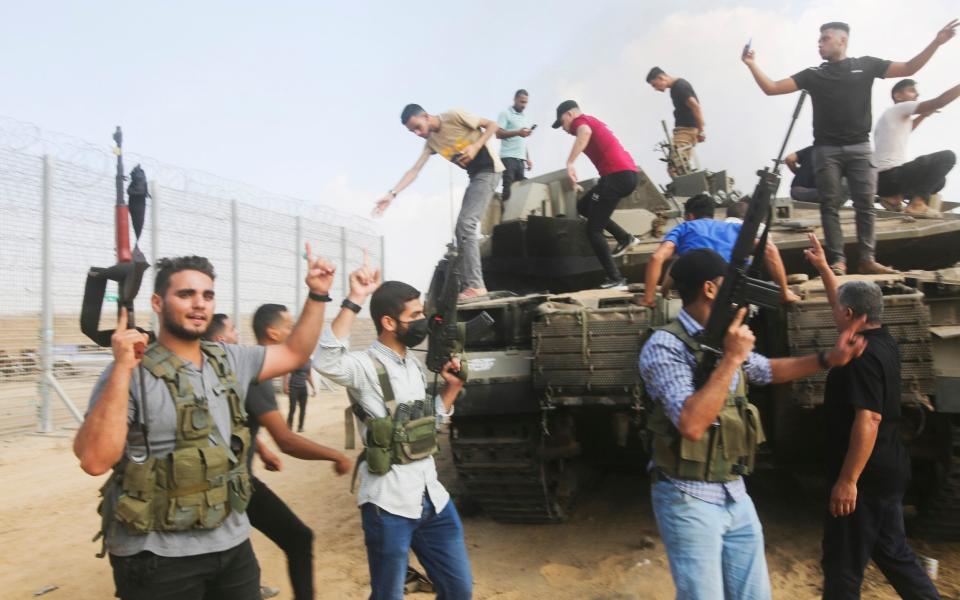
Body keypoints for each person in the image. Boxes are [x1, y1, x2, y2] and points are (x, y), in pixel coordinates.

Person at [73, 249, 336, 600]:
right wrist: (122, 368)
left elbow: (294, 354)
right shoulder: (129, 371)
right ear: (157, 302)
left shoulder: (229, 359)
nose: (199, 304)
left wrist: (318, 294)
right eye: (186, 294)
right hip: (156, 558)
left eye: (207, 295)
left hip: (231, 546)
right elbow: (94, 460)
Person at [639, 248, 867, 600]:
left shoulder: (723, 338)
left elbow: (767, 370)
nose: (740, 297)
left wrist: (829, 359)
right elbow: (691, 424)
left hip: (733, 491)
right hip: (688, 496)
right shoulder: (665, 345)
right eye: (731, 286)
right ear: (710, 289)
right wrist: (731, 358)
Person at [742, 19, 958, 276]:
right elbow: (772, 88)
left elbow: (910, 66)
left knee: (865, 205)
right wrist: (752, 64)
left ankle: (867, 259)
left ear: (841, 41)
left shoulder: (865, 66)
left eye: (825, 39)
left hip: (860, 148)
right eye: (819, 39)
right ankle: (837, 262)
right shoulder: (814, 74)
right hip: (827, 150)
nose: (819, 44)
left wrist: (937, 41)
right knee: (829, 205)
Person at [313, 252, 472, 600]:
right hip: (389, 504)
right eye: (414, 316)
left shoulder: (412, 365)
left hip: (432, 497)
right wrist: (355, 298)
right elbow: (325, 360)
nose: (422, 322)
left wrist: (452, 389)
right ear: (388, 322)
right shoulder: (365, 366)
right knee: (388, 595)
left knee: (459, 589)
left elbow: (430, 422)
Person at [804, 234, 941, 599]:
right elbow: (845, 305)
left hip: (864, 473)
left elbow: (869, 419)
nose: (835, 312)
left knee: (842, 567)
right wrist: (823, 269)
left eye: (839, 309)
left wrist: (848, 481)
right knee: (893, 553)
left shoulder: (860, 356)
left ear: (850, 315)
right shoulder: (882, 338)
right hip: (889, 466)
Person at [245, 302, 352, 600]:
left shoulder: (250, 370)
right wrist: (336, 455)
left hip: (234, 480)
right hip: (234, 483)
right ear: (273, 333)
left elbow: (232, 424)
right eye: (289, 327)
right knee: (298, 537)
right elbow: (287, 441)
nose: (293, 333)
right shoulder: (257, 375)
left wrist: (260, 448)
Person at [373, 104, 503, 300]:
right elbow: (414, 170)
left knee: (466, 224)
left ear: (426, 116)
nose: (417, 133)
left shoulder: (454, 115)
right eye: (412, 131)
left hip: (490, 170)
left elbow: (492, 125)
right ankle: (471, 284)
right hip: (475, 176)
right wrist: (392, 194)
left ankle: (476, 286)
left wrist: (476, 146)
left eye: (418, 127)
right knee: (461, 229)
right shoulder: (432, 143)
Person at [642, 194, 799, 307]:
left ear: (689, 216)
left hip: (698, 296)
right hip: (734, 292)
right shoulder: (735, 228)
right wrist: (784, 292)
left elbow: (657, 258)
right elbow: (769, 249)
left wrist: (650, 298)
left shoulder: (684, 227)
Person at [553, 100, 641, 289]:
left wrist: (570, 163)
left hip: (617, 176)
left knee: (593, 230)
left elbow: (584, 132)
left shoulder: (580, 121)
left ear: (569, 114)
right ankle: (625, 238)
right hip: (623, 175)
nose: (563, 128)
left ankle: (616, 278)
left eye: (562, 122)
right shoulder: (592, 120)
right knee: (584, 206)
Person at [875, 79, 959, 214]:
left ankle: (893, 197)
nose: (917, 94)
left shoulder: (893, 118)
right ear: (898, 96)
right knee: (948, 157)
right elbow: (940, 101)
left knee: (939, 181)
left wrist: (923, 115)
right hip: (890, 176)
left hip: (883, 183)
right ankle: (917, 204)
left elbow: (907, 130)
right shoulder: (899, 108)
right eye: (911, 90)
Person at [646, 67, 705, 172]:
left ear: (661, 77)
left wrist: (701, 131)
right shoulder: (675, 88)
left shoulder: (680, 87)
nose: (655, 88)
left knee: (675, 167)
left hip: (686, 130)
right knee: (680, 167)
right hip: (685, 130)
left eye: (654, 85)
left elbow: (695, 106)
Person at [496, 89, 534, 203]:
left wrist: (528, 158)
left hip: (520, 159)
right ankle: (503, 217)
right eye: (522, 102)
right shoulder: (505, 113)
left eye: (526, 102)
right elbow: (498, 134)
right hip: (508, 157)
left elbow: (522, 140)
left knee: (520, 189)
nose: (524, 105)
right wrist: (518, 132)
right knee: (508, 189)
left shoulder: (524, 117)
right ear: (515, 99)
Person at [284, 359, 315, 432]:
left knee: (303, 409)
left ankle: (300, 427)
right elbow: (285, 372)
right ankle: (289, 427)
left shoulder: (309, 361)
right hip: (293, 387)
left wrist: (313, 387)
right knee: (292, 408)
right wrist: (285, 385)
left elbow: (308, 375)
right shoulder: (296, 359)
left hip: (303, 388)